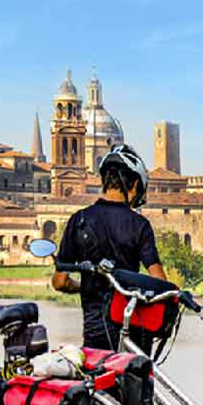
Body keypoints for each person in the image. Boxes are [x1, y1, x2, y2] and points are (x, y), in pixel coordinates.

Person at [52, 144, 166, 351]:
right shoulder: (139, 224)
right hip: (133, 330)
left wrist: (85, 287)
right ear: (134, 185)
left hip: (95, 332)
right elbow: (159, 282)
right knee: (136, 378)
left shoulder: (79, 220)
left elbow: (59, 282)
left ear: (104, 181)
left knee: (96, 379)